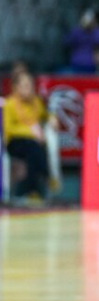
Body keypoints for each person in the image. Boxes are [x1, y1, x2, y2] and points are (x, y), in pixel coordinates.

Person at [2, 72, 50, 203]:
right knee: (34, 149)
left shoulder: (36, 102)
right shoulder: (10, 103)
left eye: (29, 85)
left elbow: (46, 115)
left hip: (33, 143)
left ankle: (25, 189)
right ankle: (40, 183)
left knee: (35, 151)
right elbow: (9, 129)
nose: (28, 89)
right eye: (24, 85)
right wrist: (30, 131)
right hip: (15, 142)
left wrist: (52, 118)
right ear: (15, 87)